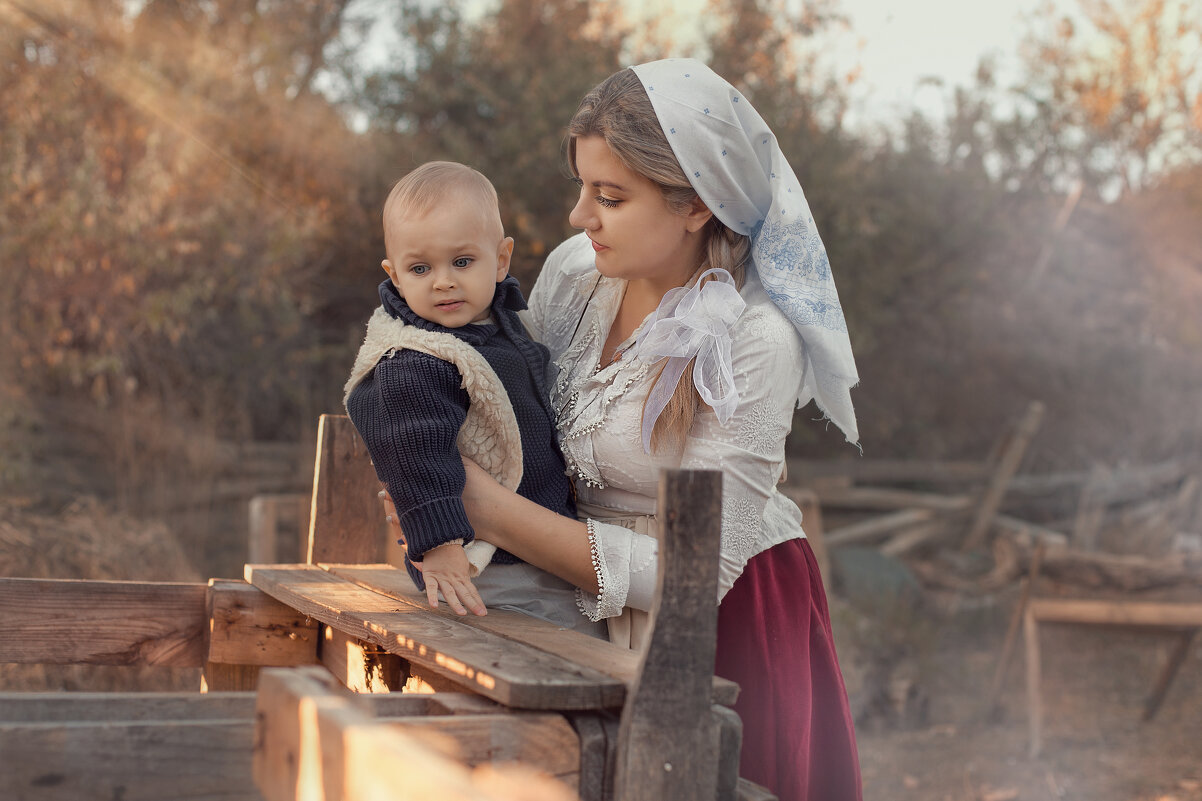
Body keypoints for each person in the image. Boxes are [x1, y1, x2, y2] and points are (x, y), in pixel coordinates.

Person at [444, 60, 864, 800]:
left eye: (610, 196)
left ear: (696, 204)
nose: (580, 216)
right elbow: (516, 425)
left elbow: (688, 578)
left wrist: (483, 505)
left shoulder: (757, 337)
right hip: (572, 610)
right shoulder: (579, 272)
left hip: (724, 628)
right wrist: (430, 484)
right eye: (582, 187)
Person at [346, 161, 604, 637]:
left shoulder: (499, 329)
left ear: (501, 260)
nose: (442, 281)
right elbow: (412, 453)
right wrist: (439, 545)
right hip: (479, 567)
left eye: (462, 262)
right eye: (420, 268)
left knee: (577, 635)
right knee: (550, 647)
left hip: (533, 549)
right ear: (395, 275)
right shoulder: (414, 359)